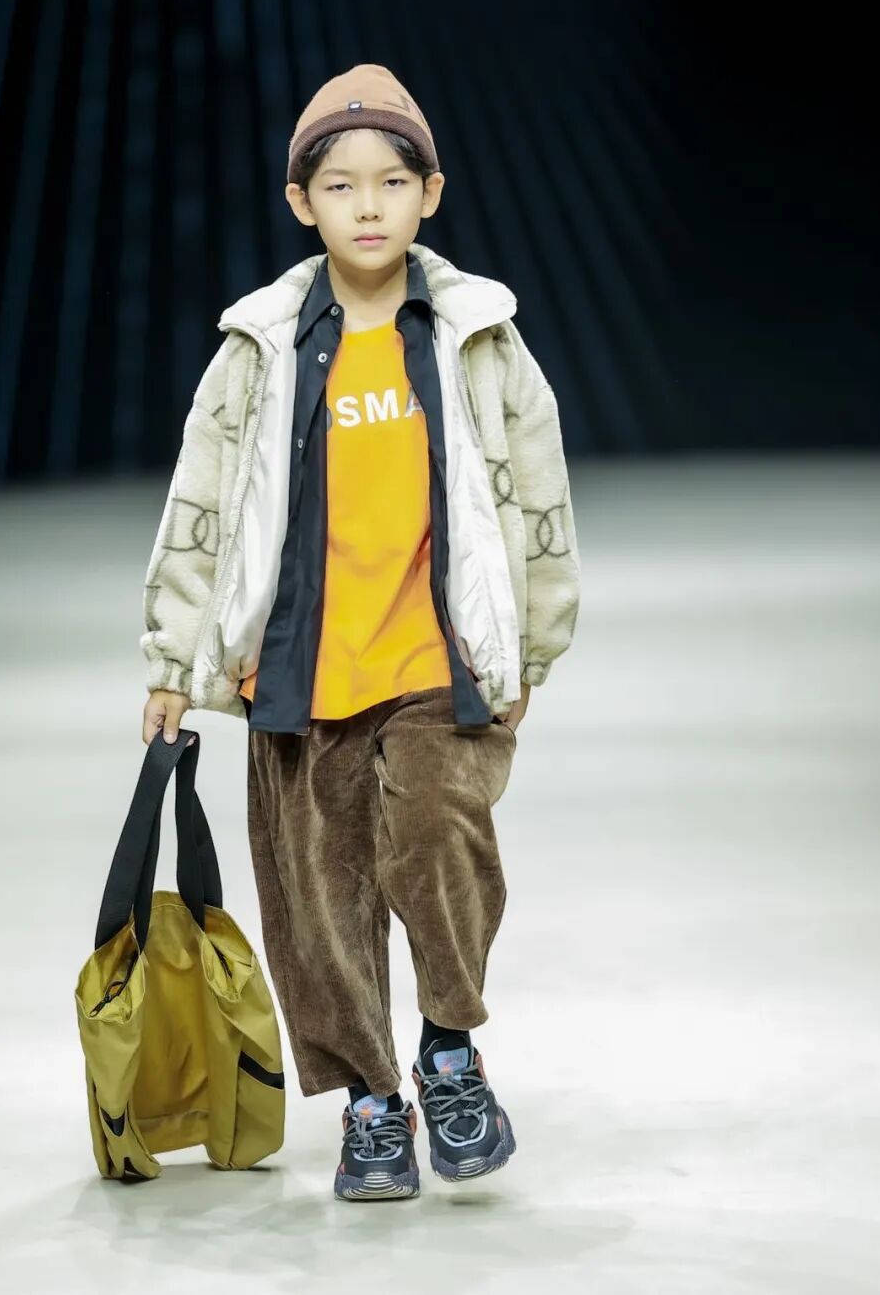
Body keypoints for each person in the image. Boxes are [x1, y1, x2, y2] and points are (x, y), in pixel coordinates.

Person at [140, 62, 580, 1201]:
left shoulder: (480, 336)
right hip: (298, 665)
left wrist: (531, 647)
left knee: (438, 835)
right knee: (317, 896)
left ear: (431, 193)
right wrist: (174, 663)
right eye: (341, 186)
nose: (369, 206)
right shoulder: (260, 348)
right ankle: (373, 1105)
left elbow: (539, 497)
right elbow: (200, 507)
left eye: (392, 181)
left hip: (442, 656)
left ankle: (449, 1048)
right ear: (303, 203)